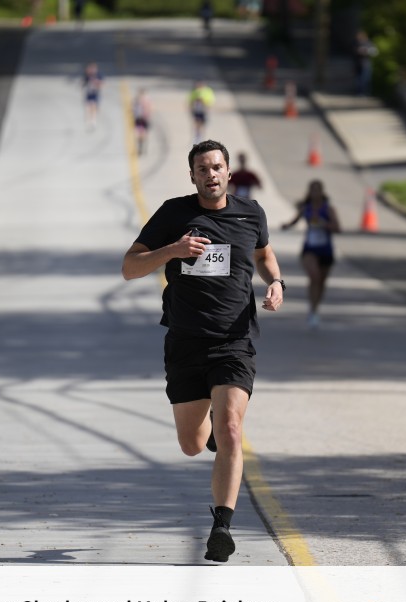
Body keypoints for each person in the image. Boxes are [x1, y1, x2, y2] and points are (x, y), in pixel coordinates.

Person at [120, 139, 285, 563]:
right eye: (202, 169)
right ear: (192, 176)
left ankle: (222, 526)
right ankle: (208, 426)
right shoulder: (174, 214)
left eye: (216, 167)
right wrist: (172, 251)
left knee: (231, 429)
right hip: (185, 342)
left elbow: (264, 253)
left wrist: (276, 282)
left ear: (228, 171)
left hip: (234, 342)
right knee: (192, 445)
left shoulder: (251, 213)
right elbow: (129, 267)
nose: (211, 174)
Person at [282, 180, 340, 328]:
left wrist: (325, 225)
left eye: (317, 190)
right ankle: (313, 310)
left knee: (321, 281)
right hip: (310, 248)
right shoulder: (306, 208)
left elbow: (338, 228)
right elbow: (294, 221)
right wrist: (286, 226)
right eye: (312, 190)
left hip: (326, 249)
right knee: (314, 276)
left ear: (322, 192)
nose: (315, 193)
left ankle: (315, 307)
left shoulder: (328, 209)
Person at [353, 30, 378, 96]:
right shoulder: (356, 43)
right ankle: (359, 92)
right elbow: (354, 51)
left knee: (365, 79)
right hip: (358, 64)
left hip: (366, 64)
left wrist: (366, 51)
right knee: (358, 79)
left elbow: (375, 52)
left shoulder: (368, 43)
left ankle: (365, 92)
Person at [82, 62, 103, 129]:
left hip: (95, 94)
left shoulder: (98, 75)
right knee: (88, 107)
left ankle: (93, 121)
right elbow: (83, 84)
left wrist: (96, 83)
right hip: (89, 93)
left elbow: (101, 84)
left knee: (93, 107)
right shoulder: (87, 76)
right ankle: (88, 121)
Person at [132, 88, 152, 155]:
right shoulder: (136, 101)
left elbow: (149, 109)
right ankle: (140, 147)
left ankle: (143, 147)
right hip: (138, 119)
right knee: (138, 134)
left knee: (143, 134)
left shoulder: (146, 101)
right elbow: (133, 110)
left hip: (144, 119)